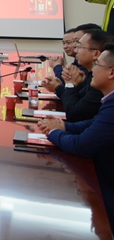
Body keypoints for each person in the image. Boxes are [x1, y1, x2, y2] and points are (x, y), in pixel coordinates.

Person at [38, 43, 114, 228]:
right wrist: (64, 126)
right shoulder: (109, 101)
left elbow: (82, 145)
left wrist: (54, 132)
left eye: (97, 65)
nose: (92, 70)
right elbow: (92, 123)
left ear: (111, 72)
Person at [43, 29, 112, 122]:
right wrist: (59, 87)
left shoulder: (101, 82)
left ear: (95, 53)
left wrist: (69, 84)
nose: (75, 50)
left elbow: (74, 114)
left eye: (79, 46)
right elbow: (77, 100)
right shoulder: (89, 75)